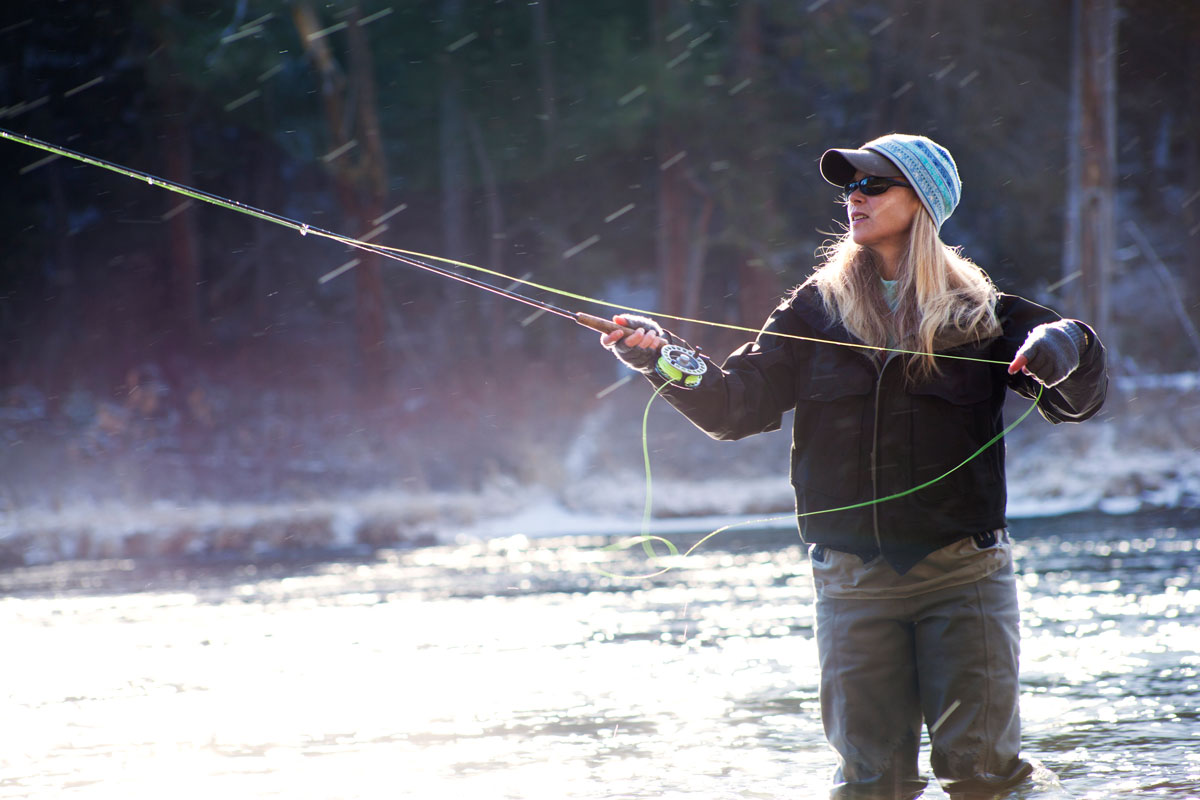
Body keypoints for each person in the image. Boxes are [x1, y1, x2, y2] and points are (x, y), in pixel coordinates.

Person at [598, 133, 1108, 800]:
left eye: (874, 185)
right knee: (872, 783)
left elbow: (1080, 397)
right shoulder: (813, 310)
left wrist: (1063, 345)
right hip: (849, 584)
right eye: (851, 187)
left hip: (966, 574)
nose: (855, 197)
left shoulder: (980, 314)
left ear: (921, 203)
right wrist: (660, 358)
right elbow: (736, 407)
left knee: (982, 775)